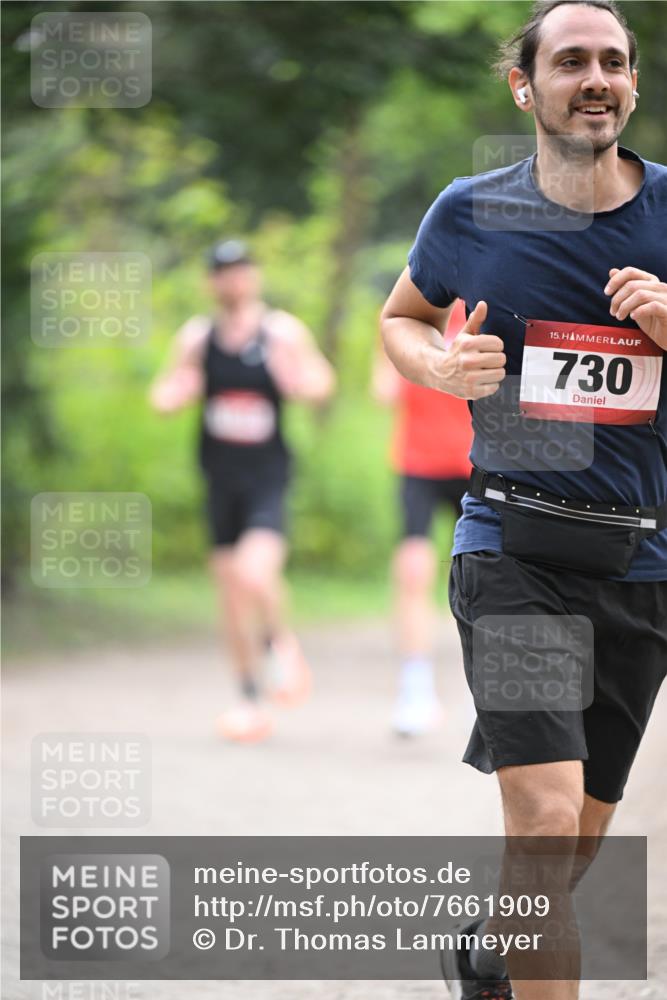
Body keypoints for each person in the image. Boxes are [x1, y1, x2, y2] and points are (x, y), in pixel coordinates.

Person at [380, 2, 666, 998]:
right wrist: (439, 365)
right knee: (542, 832)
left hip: (641, 563)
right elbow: (401, 317)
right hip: (513, 547)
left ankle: (487, 952)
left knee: (568, 856)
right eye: (573, 61)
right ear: (524, 87)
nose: (597, 78)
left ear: (632, 84)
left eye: (614, 62)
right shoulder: (471, 210)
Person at [150, 239, 335, 742]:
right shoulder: (198, 337)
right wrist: (175, 394)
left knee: (255, 572)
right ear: (212, 281)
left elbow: (322, 380)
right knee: (230, 593)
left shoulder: (280, 332)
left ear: (253, 276)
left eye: (240, 269)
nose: (233, 279)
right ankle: (249, 700)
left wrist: (298, 382)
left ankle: (281, 644)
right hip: (218, 479)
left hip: (267, 477)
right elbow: (165, 390)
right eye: (222, 272)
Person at [372, 299, 473, 736]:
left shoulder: (488, 305)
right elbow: (382, 390)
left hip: (477, 464)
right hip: (419, 464)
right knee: (412, 572)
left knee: (491, 579)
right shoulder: (407, 311)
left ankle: (498, 691)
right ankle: (415, 690)